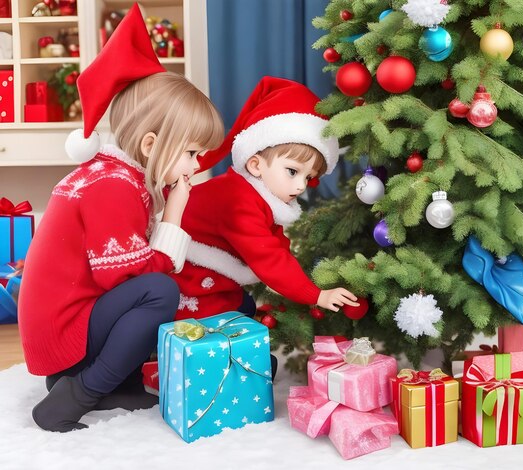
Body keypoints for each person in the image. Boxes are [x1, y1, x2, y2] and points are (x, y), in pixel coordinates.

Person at [18, 4, 224, 433]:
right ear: (151, 144)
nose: (195, 166)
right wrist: (174, 215)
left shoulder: (122, 177)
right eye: (190, 153)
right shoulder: (113, 186)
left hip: (71, 319)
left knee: (155, 287)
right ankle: (79, 394)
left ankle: (115, 380)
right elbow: (126, 281)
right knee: (159, 291)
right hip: (62, 330)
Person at [172, 76, 359, 325]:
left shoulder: (256, 195)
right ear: (256, 165)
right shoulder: (238, 201)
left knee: (243, 306)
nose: (302, 185)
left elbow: (276, 242)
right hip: (187, 270)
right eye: (293, 171)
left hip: (208, 267)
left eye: (310, 177)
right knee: (216, 320)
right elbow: (269, 257)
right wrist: (316, 295)